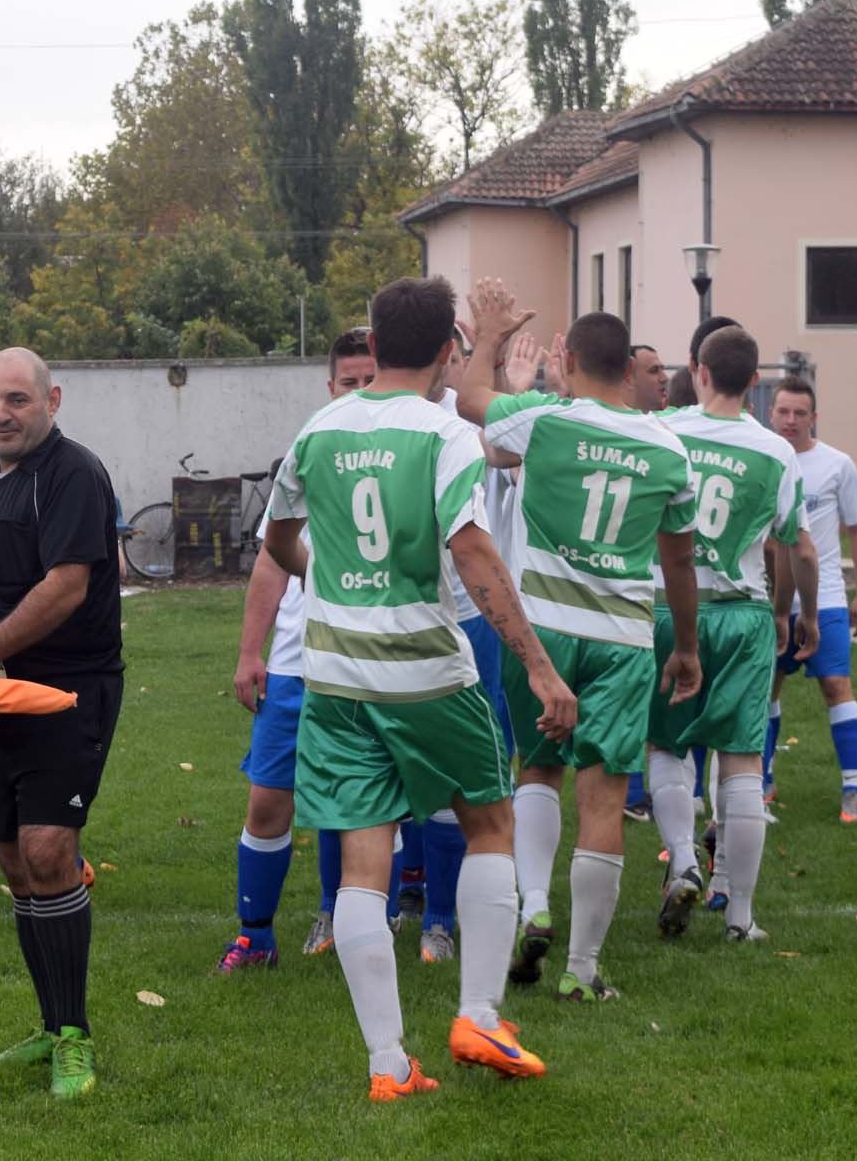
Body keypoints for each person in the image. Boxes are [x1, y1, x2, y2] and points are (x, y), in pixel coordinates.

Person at [264, 276, 576, 1098]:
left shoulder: (319, 428)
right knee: (491, 823)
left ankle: (388, 1066)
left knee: (362, 861)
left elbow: (280, 538)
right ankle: (478, 1015)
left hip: (335, 675)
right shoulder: (445, 434)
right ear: (447, 350)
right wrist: (538, 665)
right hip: (427, 670)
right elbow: (472, 552)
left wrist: (328, 578)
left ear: (372, 342)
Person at [459, 287, 702, 1004]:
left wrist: (491, 335)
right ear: (629, 368)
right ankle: (582, 970)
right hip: (621, 638)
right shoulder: (669, 448)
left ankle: (534, 905)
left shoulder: (544, 418)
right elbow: (680, 563)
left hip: (540, 630)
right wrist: (686, 648)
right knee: (605, 795)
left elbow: (469, 399)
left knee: (536, 769)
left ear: (566, 362)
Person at [0, 347, 122, 1100]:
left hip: (66, 692)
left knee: (48, 849)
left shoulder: (75, 474)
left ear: (52, 400)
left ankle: (75, 1038)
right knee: (12, 859)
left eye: (17, 400)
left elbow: (66, 587)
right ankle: (49, 1023)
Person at [648, 327, 819, 943]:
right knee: (742, 760)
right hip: (742, 612)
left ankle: (684, 861)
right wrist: (795, 613)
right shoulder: (775, 451)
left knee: (664, 746)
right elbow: (797, 546)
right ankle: (740, 917)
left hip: (669, 608)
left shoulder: (664, 432)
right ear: (754, 382)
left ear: (697, 370)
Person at [221, 328, 377, 972]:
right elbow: (271, 560)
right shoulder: (310, 449)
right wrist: (249, 652)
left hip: (372, 658)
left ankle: (345, 916)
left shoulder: (412, 448)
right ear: (330, 385)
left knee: (358, 800)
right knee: (268, 799)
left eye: (371, 380)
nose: (360, 392)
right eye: (350, 382)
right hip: (293, 663)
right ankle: (255, 936)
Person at [767, 375, 857, 824]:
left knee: (835, 685)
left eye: (800, 413)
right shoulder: (761, 457)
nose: (790, 420)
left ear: (814, 417)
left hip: (825, 596)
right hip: (767, 599)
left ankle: (854, 788)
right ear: (771, 413)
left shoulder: (837, 464)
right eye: (783, 411)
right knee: (765, 688)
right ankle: (762, 781)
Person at [620, 341, 674, 823]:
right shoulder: (605, 431)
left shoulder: (670, 436)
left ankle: (643, 792)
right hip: (620, 595)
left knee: (653, 703)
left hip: (652, 594)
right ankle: (633, 791)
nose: (664, 377)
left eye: (664, 369)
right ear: (626, 375)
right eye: (653, 369)